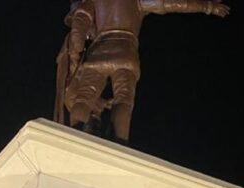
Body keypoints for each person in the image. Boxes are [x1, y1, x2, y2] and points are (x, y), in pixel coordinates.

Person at [56, 0, 230, 143]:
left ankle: (75, 138)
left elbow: (78, 29)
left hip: (98, 54)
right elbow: (170, 4)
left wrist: (75, 57)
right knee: (123, 101)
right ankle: (119, 142)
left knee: (84, 99)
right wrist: (207, 6)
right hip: (126, 54)